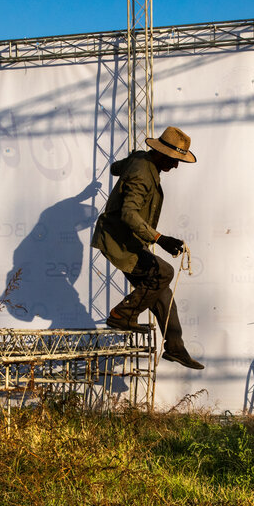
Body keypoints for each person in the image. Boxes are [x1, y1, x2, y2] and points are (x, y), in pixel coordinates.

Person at [91, 126, 204, 370]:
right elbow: (128, 213)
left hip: (127, 239)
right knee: (164, 273)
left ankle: (175, 347)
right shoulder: (143, 172)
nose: (175, 166)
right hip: (119, 241)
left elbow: (114, 168)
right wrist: (160, 238)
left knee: (161, 293)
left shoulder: (140, 158)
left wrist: (126, 164)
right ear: (162, 154)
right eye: (174, 160)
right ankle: (123, 315)